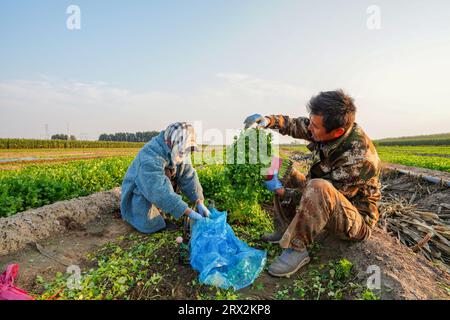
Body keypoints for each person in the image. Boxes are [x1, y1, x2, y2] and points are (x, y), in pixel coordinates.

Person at [244, 89, 381, 277]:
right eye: (312, 122)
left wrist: (282, 192)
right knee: (278, 165)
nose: (310, 129)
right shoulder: (325, 125)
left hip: (354, 216)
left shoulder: (359, 158)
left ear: (337, 132)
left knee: (318, 187)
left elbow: (325, 196)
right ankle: (284, 229)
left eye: (315, 127)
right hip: (322, 192)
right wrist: (269, 121)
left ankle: (297, 247)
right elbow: (296, 125)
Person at [120, 122, 210, 234]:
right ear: (170, 142)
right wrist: (188, 212)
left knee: (175, 172)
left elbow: (188, 176)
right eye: (183, 149)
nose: (185, 153)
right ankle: (152, 218)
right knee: (149, 223)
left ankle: (164, 209)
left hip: (156, 190)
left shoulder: (177, 150)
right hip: (139, 193)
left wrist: (199, 202)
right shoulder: (150, 157)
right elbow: (158, 191)